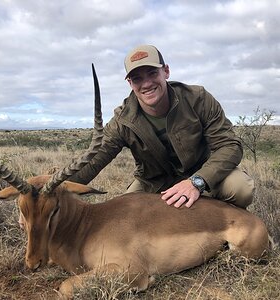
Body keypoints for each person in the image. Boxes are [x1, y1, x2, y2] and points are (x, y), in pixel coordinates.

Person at [71, 44, 254, 209]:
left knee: (241, 188)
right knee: (124, 215)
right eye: (137, 78)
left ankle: (230, 228)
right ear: (130, 83)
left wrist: (196, 182)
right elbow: (94, 160)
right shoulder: (122, 120)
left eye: (152, 73)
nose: (147, 84)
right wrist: (53, 185)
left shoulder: (198, 99)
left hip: (201, 174)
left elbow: (230, 146)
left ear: (166, 71)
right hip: (153, 183)